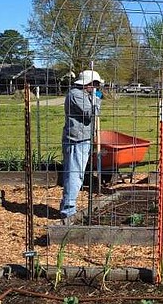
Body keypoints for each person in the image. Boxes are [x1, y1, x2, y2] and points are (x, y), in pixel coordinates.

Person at [60, 69, 104, 225]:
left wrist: (94, 98)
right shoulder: (76, 94)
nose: (97, 88)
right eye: (95, 85)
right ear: (88, 83)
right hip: (76, 140)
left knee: (76, 174)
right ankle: (68, 211)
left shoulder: (85, 95)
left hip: (83, 138)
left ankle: (68, 207)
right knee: (74, 175)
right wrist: (97, 100)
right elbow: (90, 113)